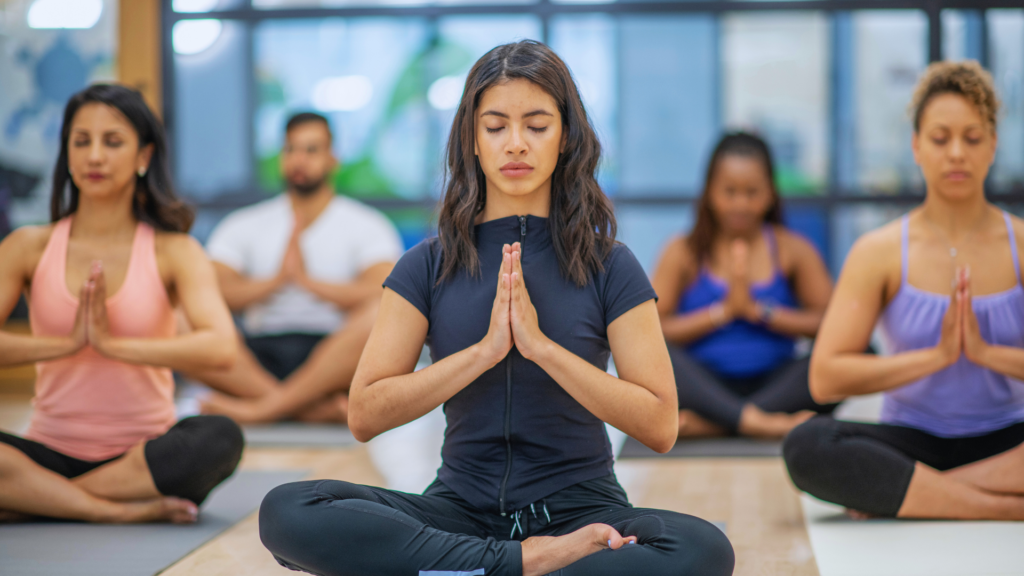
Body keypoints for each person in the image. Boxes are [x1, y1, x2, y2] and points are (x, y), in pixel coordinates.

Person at [257, 41, 734, 576]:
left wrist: (542, 349)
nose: (516, 145)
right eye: (495, 126)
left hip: (583, 512)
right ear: (472, 140)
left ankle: (471, 570)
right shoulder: (427, 264)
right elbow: (365, 413)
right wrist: (482, 353)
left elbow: (660, 424)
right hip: (458, 509)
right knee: (289, 510)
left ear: (565, 138)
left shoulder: (610, 264)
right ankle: (520, 564)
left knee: (703, 549)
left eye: (536, 125)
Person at [784, 61, 1024, 520]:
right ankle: (1000, 506)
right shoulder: (880, 251)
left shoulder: (1021, 244)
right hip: (912, 444)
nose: (956, 152)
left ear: (993, 145)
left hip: (1007, 440)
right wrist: (935, 358)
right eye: (940, 138)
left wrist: (984, 352)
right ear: (916, 146)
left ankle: (920, 496)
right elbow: (825, 376)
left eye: (972, 138)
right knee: (806, 444)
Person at [0, 84, 243, 523]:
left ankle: (39, 501)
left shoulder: (175, 251)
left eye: (112, 142)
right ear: (67, 154)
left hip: (144, 460)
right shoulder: (27, 247)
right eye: (81, 141)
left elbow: (221, 348)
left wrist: (115, 346)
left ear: (143, 157)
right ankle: (107, 510)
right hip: (47, 451)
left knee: (220, 437)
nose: (95, 156)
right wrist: (66, 343)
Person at [187, 112, 404, 424]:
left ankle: (262, 409)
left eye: (312, 150)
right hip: (256, 356)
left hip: (334, 356)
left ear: (333, 158)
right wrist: (275, 282)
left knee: (380, 313)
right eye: (291, 150)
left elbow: (384, 293)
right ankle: (307, 408)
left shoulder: (367, 224)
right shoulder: (244, 223)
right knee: (182, 317)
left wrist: (308, 282)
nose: (300, 160)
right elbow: (211, 290)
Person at [651, 132, 835, 439]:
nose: (740, 204)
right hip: (703, 384)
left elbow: (831, 324)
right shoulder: (682, 251)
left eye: (752, 192)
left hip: (776, 382)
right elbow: (653, 330)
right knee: (641, 352)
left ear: (770, 194)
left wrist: (759, 312)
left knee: (859, 350)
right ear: (710, 192)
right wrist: (723, 312)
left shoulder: (793, 250)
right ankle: (758, 422)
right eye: (730, 191)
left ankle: (718, 422)